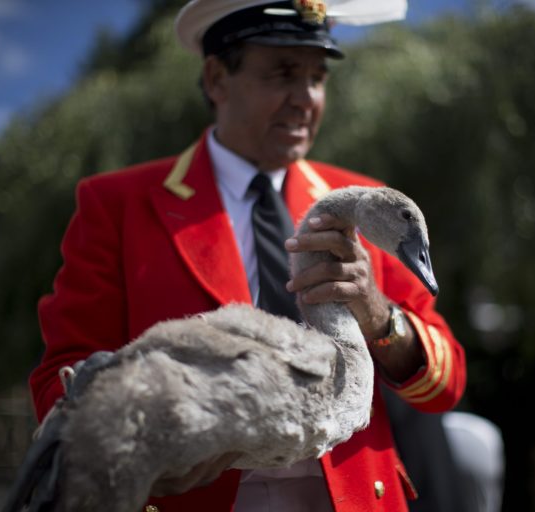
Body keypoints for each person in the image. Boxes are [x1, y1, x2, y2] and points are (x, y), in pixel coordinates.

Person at [28, 1, 467, 511]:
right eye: (283, 73)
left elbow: (446, 385)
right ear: (216, 79)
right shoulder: (117, 205)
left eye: (318, 77)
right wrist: (122, 451)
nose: (306, 98)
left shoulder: (366, 204)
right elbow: (63, 372)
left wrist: (378, 315)